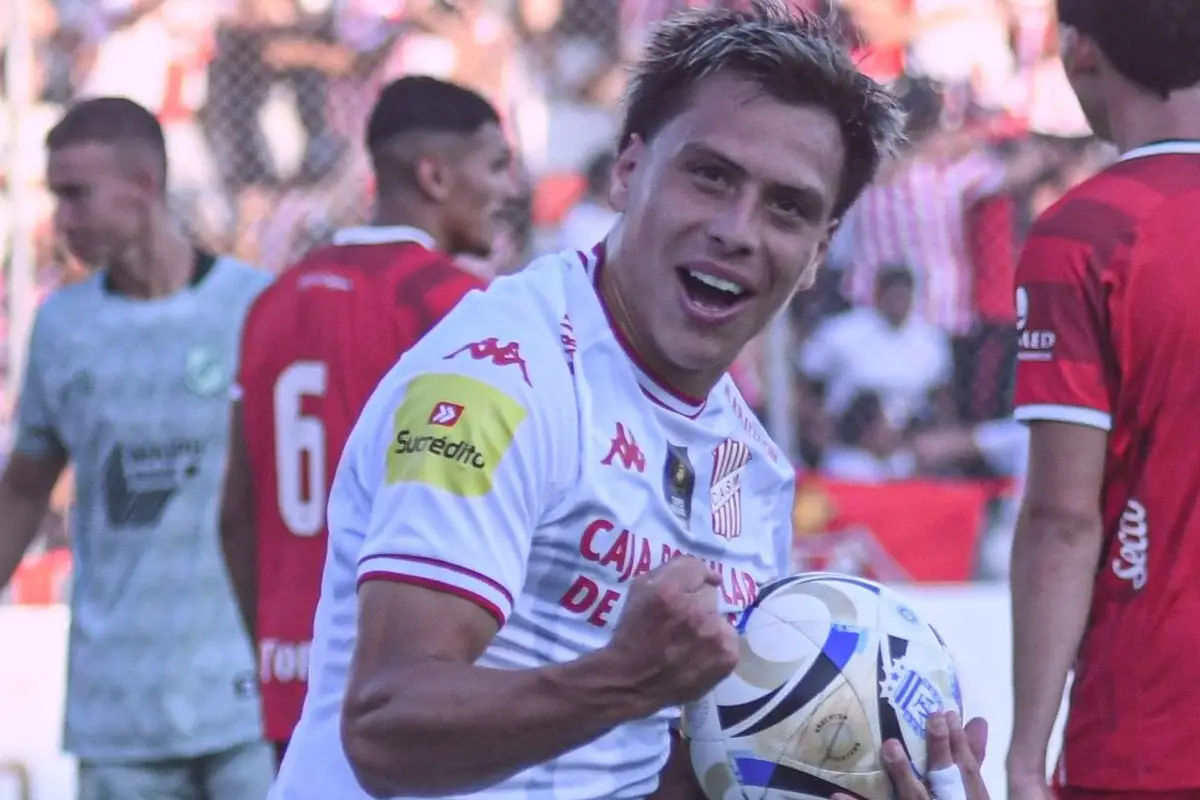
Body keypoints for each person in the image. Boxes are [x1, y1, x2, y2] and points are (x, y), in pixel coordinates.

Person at [271, 4, 912, 798]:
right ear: (627, 171)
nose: (737, 230)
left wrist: (854, 774)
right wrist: (623, 678)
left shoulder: (750, 470)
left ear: (819, 252)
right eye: (710, 175)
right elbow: (385, 729)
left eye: (787, 206)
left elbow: (659, 763)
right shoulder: (495, 382)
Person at [219, 75, 516, 764]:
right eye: (496, 165)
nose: (508, 189)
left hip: (292, 683)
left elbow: (236, 513)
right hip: (408, 686)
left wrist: (274, 645)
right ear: (434, 175)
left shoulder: (273, 300)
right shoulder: (457, 307)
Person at [0, 97, 275, 798]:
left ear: (143, 185)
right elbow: (26, 487)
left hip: (243, 696)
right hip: (118, 707)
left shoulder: (254, 307)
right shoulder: (63, 326)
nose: (61, 220)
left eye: (76, 195)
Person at [1006, 3, 1200, 800]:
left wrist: (1025, 757)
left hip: (1152, 733)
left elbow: (1063, 518)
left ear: (1079, 50)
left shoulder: (1085, 234)